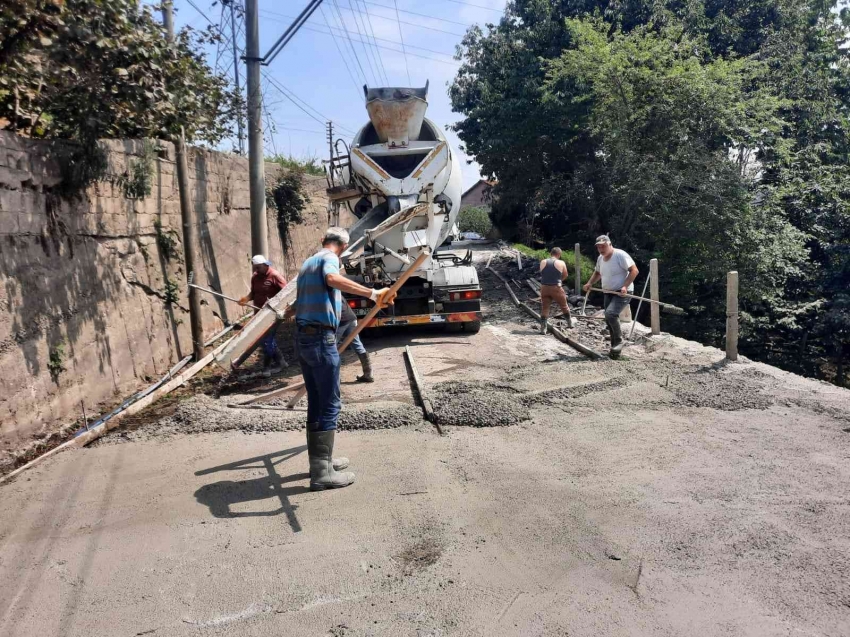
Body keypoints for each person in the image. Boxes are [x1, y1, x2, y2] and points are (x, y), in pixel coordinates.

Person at [291, 227, 396, 491]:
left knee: (316, 401)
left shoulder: (307, 263)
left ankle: (321, 463)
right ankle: (322, 474)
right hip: (320, 339)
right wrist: (373, 294)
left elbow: (298, 300)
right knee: (330, 403)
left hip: (304, 338)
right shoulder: (329, 259)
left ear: (323, 240)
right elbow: (332, 278)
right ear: (343, 246)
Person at [583, 235, 639, 358]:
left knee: (610, 314)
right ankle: (615, 352)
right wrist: (589, 283)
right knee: (608, 319)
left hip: (622, 292)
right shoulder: (600, 259)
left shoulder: (620, 255)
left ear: (610, 244)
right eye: (598, 247)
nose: (601, 249)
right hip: (608, 292)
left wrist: (625, 286)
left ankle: (619, 342)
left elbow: (634, 270)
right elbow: (598, 273)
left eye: (603, 246)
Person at [238, 255, 287, 377]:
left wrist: (275, 303)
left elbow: (287, 293)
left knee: (266, 340)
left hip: (272, 314)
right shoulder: (255, 277)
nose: (256, 270)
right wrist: (246, 299)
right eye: (255, 268)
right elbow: (253, 293)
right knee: (265, 340)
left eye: (258, 268)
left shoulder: (275, 276)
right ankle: (281, 362)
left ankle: (267, 368)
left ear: (266, 265)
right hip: (259, 313)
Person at [337, 301, 374, 383]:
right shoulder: (335, 290)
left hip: (340, 320)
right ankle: (368, 374)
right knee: (357, 345)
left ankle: (334, 378)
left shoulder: (324, 292)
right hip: (351, 318)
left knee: (332, 348)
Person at [538, 247, 572, 334]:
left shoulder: (543, 261)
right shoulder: (561, 262)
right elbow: (565, 275)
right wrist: (559, 280)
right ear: (559, 254)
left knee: (545, 308)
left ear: (551, 253)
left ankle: (543, 329)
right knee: (564, 305)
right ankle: (569, 324)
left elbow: (543, 274)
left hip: (544, 287)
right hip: (556, 287)